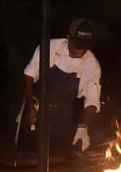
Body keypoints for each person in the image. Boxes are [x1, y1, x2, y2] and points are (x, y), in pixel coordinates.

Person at [19, 17, 102, 154]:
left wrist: (83, 128)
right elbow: (29, 76)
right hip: (36, 110)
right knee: (27, 158)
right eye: (77, 46)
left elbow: (92, 101)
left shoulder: (92, 65)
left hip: (62, 118)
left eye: (84, 47)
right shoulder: (49, 48)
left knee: (57, 161)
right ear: (69, 37)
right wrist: (30, 105)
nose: (80, 51)